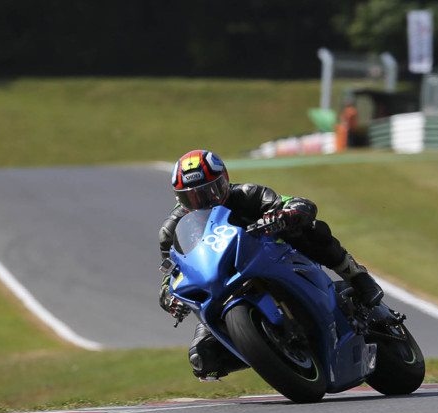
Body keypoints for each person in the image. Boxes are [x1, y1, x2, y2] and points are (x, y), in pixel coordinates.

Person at [158, 149, 384, 380]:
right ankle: (270, 352)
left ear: (224, 181)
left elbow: (291, 203)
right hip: (219, 285)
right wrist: (168, 294)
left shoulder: (246, 194)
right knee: (202, 358)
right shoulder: (171, 230)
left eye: (209, 192)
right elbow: (173, 268)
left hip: (267, 256)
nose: (202, 201)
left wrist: (290, 213)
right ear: (180, 199)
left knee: (312, 228)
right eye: (192, 198)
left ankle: (355, 275)